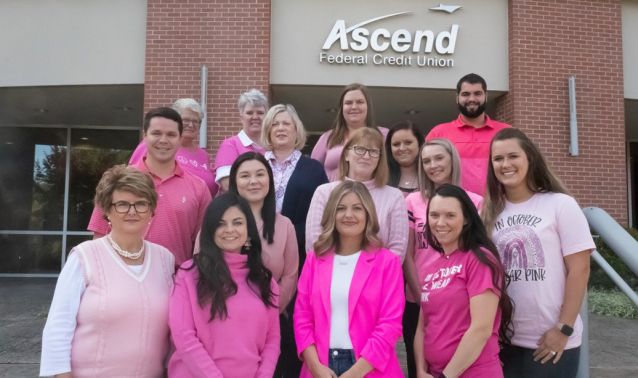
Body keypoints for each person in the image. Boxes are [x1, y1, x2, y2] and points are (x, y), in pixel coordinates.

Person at [40, 165, 175, 377]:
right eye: (122, 204)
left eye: (141, 204)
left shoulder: (165, 259)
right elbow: (58, 328)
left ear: (151, 210)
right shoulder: (84, 257)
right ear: (107, 211)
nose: (132, 211)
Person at [482, 128, 594, 378]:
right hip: (504, 341)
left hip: (550, 341)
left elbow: (580, 270)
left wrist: (563, 329)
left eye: (513, 156)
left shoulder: (560, 204)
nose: (505, 164)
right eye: (498, 159)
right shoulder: (488, 212)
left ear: (529, 158)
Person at [294, 181, 404, 377]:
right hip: (320, 367)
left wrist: (356, 372)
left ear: (368, 213)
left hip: (370, 368)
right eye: (341, 208)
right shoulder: (315, 259)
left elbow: (390, 324)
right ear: (332, 214)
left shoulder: (387, 262)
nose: (349, 215)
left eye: (357, 208)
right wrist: (314, 366)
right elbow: (302, 316)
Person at [168, 193, 280, 378]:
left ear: (248, 229)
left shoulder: (264, 280)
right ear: (210, 230)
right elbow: (183, 336)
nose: (230, 229)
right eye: (221, 223)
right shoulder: (189, 274)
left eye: (237, 222)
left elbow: (272, 339)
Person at [87, 107, 212, 266]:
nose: (163, 140)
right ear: (145, 136)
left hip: (176, 282)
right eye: (156, 133)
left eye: (171, 135)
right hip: (123, 277)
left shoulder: (198, 187)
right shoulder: (117, 181)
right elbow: (99, 234)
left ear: (180, 139)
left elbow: (203, 245)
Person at [403, 138, 483, 378]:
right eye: (426, 161)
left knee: (458, 359)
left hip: (456, 298)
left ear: (452, 160)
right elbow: (407, 254)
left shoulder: (475, 201)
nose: (432, 165)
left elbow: (477, 251)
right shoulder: (412, 201)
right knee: (419, 366)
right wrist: (420, 295)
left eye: (439, 158)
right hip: (418, 297)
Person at [414, 184, 513, 378]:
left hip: (475, 372)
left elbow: (481, 329)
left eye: (450, 215)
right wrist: (420, 369)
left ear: (466, 218)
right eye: (434, 215)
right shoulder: (431, 265)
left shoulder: (479, 259)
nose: (440, 222)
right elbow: (422, 325)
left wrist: (446, 376)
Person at [228, 152, 300, 377]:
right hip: (226, 324)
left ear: (270, 180)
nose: (253, 181)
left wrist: (269, 311)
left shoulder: (284, 225)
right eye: (245, 176)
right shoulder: (219, 220)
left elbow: (290, 274)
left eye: (260, 174)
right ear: (235, 182)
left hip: (271, 324)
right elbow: (203, 266)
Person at [306, 127, 408, 260]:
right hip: (329, 275)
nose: (366, 156)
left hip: (378, 278)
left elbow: (398, 248)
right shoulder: (324, 192)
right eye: (360, 149)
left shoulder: (394, 196)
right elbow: (314, 243)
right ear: (346, 154)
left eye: (373, 152)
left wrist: (375, 276)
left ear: (380, 159)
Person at [261, 103, 328, 269]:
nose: (280, 128)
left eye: (286, 124)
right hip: (258, 247)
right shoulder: (255, 164)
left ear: (296, 130)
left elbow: (325, 212)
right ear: (268, 131)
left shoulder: (314, 168)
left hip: (300, 250)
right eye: (275, 124)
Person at [426, 73, 511, 196]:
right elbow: (424, 171)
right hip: (454, 206)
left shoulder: (506, 132)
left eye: (477, 93)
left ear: (486, 96)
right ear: (457, 98)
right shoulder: (438, 133)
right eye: (466, 94)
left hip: (498, 206)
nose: (472, 99)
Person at [129, 98, 218, 196]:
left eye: (195, 121)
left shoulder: (203, 155)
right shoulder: (152, 146)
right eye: (186, 120)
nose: (191, 125)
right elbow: (133, 177)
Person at [311, 83, 388, 181]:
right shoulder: (328, 137)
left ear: (368, 106)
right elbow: (311, 170)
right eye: (348, 103)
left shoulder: (383, 135)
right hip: (332, 194)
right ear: (342, 108)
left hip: (371, 194)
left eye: (360, 102)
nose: (354, 106)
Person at [214, 88, 269, 192]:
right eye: (249, 113)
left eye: (260, 113)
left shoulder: (271, 146)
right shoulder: (230, 145)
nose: (255, 117)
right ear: (241, 117)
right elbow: (227, 184)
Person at [386, 120, 424, 196]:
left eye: (408, 142)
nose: (402, 148)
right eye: (396, 144)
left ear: (419, 144)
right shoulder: (381, 178)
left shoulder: (431, 175)